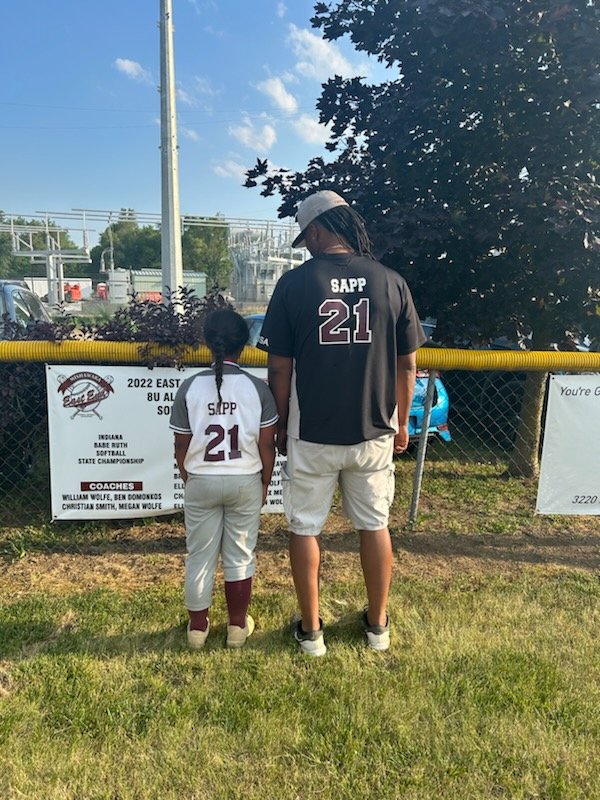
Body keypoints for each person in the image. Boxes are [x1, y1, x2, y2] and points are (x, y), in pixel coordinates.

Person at [257, 190, 426, 656]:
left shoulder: (293, 284)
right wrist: (403, 422)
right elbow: (407, 365)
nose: (305, 245)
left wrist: (281, 419)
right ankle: (377, 627)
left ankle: (312, 632)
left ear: (315, 230)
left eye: (305, 236)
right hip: (374, 428)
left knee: (305, 528)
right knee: (375, 526)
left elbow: (279, 368)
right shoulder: (391, 281)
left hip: (312, 430)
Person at [170, 308, 278, 650]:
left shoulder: (190, 386)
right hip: (244, 479)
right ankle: (236, 627)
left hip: (201, 479)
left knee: (199, 555)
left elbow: (180, 444)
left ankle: (197, 629)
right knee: (240, 554)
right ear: (243, 346)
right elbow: (267, 446)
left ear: (207, 343)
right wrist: (265, 482)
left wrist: (188, 475)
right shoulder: (255, 388)